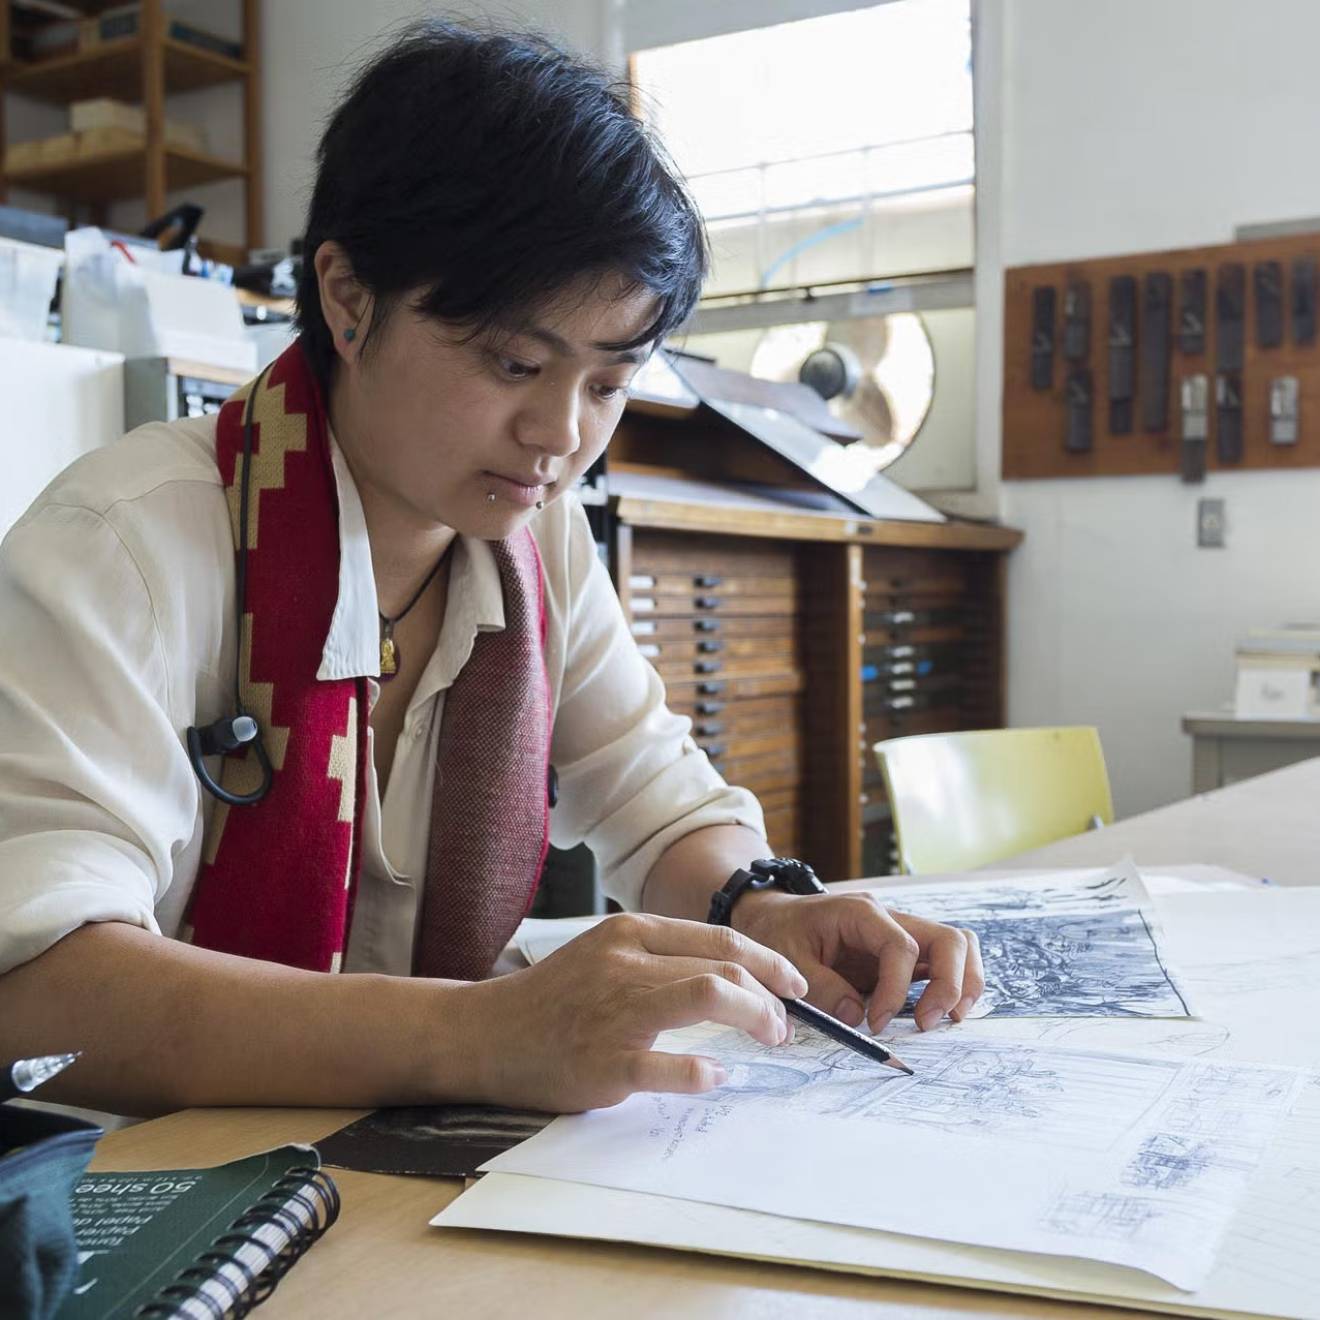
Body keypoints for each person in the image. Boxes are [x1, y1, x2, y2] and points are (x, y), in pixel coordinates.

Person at [0, 22, 982, 1118]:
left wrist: (759, 902)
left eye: (609, 384)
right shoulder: (123, 544)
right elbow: (42, 993)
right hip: (150, 1189)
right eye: (515, 362)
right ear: (348, 297)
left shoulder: (532, 538)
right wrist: (475, 1034)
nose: (558, 435)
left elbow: (648, 788)